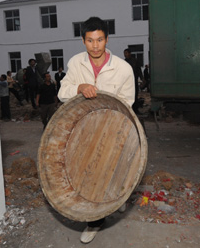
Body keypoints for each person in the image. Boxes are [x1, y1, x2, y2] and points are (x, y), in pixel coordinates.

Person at [58, 16, 134, 244]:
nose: (95, 46)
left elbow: (127, 103)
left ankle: (119, 199)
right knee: (89, 174)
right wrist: (79, 88)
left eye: (100, 40)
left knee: (115, 169)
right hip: (83, 131)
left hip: (114, 130)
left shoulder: (123, 69)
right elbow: (63, 93)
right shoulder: (75, 64)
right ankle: (95, 221)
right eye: (90, 40)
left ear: (107, 39)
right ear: (83, 41)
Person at [123, 49, 144, 114]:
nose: (125, 54)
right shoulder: (124, 62)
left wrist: (142, 79)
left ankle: (136, 110)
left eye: (126, 53)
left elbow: (139, 70)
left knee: (135, 96)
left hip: (134, 81)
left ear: (130, 53)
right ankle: (129, 110)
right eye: (124, 53)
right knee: (127, 96)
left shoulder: (135, 61)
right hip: (126, 83)